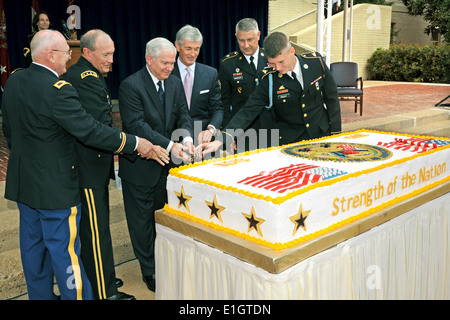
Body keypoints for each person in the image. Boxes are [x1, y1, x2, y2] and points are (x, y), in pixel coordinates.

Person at [1, 29, 165, 300]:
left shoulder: (15, 80)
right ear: (51, 56)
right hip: (56, 190)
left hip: (23, 185)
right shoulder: (58, 90)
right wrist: (136, 143)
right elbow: (91, 130)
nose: (69, 57)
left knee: (34, 252)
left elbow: (10, 130)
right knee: (67, 257)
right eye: (66, 52)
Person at [62, 29, 144, 300]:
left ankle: (101, 275)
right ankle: (103, 291)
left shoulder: (89, 75)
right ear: (87, 52)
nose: (111, 60)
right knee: (96, 233)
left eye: (112, 54)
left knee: (95, 230)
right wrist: (131, 144)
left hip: (91, 165)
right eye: (106, 54)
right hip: (88, 168)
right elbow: (97, 128)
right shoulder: (86, 78)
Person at [118, 37, 194, 292]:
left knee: (164, 220)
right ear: (149, 59)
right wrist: (172, 145)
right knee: (141, 225)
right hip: (140, 169)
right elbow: (138, 125)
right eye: (165, 63)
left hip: (167, 169)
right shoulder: (131, 86)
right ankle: (149, 271)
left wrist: (186, 137)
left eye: (173, 63)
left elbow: (182, 112)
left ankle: (165, 264)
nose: (170, 68)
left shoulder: (173, 82)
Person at [200, 31, 341, 155]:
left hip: (321, 134)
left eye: (281, 62)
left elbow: (332, 99)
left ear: (291, 51)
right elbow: (249, 109)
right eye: (272, 64)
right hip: (291, 141)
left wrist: (336, 134)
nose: (278, 68)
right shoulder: (269, 78)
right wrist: (223, 138)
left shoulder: (316, 63)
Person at [172, 25, 223, 144]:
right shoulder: (167, 73)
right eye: (188, 48)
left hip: (204, 140)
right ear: (177, 46)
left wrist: (211, 130)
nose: (193, 53)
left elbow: (217, 108)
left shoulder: (210, 74)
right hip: (174, 140)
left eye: (197, 49)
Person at [218, 18, 268, 128]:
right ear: (236, 37)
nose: (246, 45)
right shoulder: (228, 64)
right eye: (241, 40)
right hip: (242, 128)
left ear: (258, 35)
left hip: (270, 126)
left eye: (250, 40)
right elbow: (224, 103)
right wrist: (229, 134)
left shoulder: (271, 59)